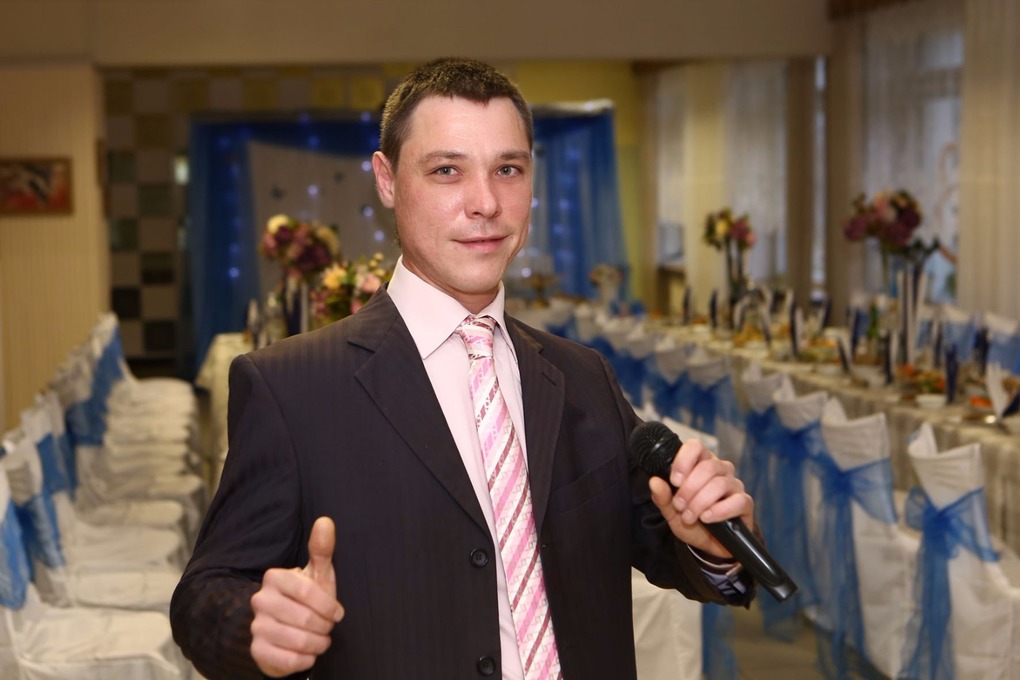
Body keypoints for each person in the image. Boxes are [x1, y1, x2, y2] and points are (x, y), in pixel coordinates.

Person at [170, 57, 758, 680]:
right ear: (387, 180)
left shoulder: (582, 376)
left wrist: (714, 546)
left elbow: (665, 543)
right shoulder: (292, 387)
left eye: (508, 169)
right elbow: (205, 592)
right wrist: (253, 622)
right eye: (447, 170)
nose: (486, 204)